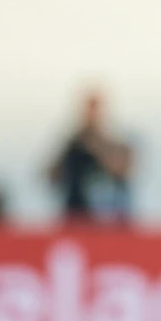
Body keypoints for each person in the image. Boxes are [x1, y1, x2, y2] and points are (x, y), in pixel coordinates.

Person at [47, 89, 134, 223]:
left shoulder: (117, 142)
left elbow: (122, 169)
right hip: (77, 218)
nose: (91, 115)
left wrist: (95, 145)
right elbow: (51, 175)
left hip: (110, 220)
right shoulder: (73, 145)